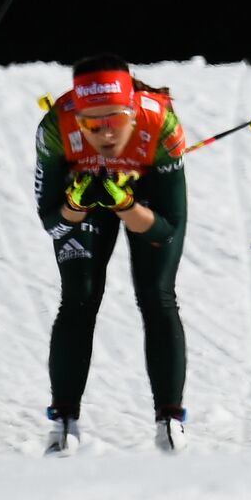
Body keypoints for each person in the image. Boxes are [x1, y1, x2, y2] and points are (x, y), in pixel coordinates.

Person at [34, 54, 190, 455]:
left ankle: (169, 419)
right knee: (79, 297)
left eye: (116, 121)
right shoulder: (55, 127)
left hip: (144, 192)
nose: (104, 134)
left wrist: (125, 205)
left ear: (134, 113)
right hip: (83, 194)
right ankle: (64, 419)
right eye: (92, 124)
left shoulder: (162, 126)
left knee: (157, 295)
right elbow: (53, 223)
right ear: (78, 118)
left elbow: (167, 228)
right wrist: (76, 204)